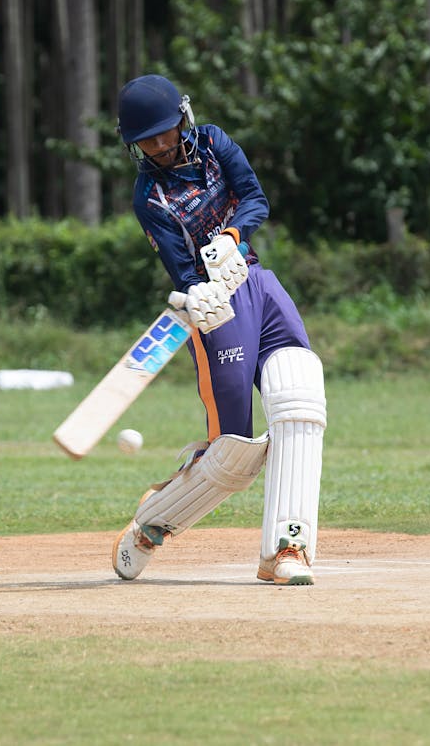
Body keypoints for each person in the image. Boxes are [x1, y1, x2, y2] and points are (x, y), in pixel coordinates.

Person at [110, 74, 327, 585]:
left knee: (299, 400)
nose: (160, 146)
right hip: (216, 305)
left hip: (256, 280)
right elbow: (180, 270)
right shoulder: (149, 197)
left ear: (183, 118)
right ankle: (152, 522)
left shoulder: (212, 143)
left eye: (165, 132)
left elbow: (255, 199)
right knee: (234, 452)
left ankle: (286, 549)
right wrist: (198, 290)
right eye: (147, 140)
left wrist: (231, 236)